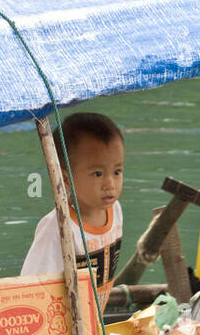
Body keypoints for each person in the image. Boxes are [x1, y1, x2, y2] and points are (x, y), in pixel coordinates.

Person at [21, 112, 124, 301]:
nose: (110, 183)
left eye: (117, 171)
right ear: (66, 179)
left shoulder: (115, 210)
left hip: (93, 321)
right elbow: (31, 289)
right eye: (97, 173)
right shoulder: (58, 228)